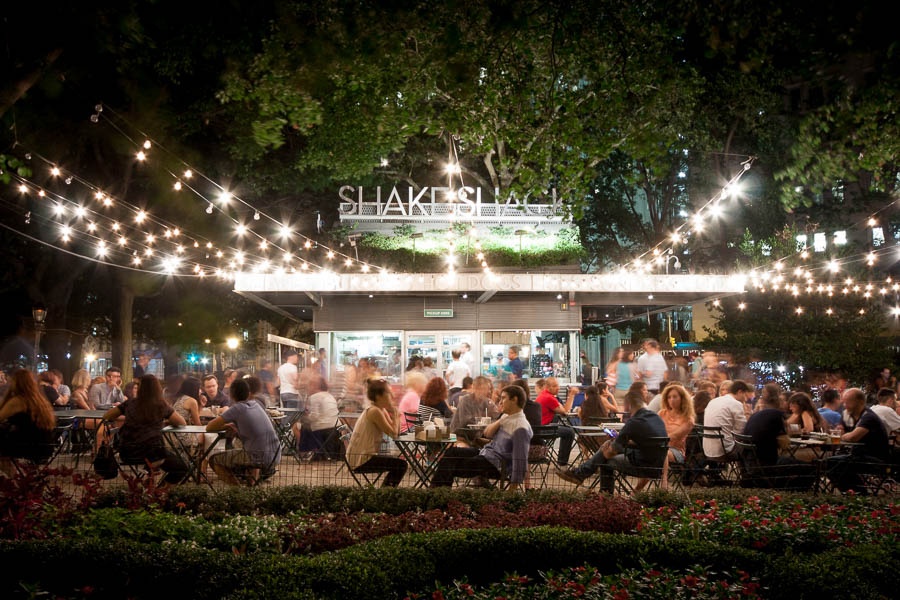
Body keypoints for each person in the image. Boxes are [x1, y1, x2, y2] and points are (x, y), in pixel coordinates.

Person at [556, 380, 667, 491]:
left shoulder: (634, 422)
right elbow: (648, 442)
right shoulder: (656, 418)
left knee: (605, 460)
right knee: (608, 445)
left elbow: (612, 451)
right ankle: (581, 474)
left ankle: (603, 492)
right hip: (658, 465)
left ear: (628, 405)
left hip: (643, 465)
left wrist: (610, 448)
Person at [431, 384, 532, 489]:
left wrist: (513, 489)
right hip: (486, 454)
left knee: (449, 465)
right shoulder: (508, 417)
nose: (500, 402)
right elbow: (487, 433)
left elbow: (521, 460)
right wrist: (502, 419)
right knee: (452, 452)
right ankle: (439, 493)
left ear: (514, 400)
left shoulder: (521, 427)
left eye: (503, 398)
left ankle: (438, 494)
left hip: (496, 464)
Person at [102, 374, 188, 485]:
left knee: (158, 460)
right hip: (153, 453)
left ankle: (150, 477)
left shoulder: (130, 404)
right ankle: (159, 491)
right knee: (181, 468)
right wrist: (164, 421)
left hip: (127, 453)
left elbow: (107, 416)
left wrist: (129, 417)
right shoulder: (160, 405)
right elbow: (181, 422)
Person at [206, 379, 282, 485]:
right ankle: (251, 487)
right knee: (246, 450)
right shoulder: (255, 405)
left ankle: (237, 491)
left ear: (231, 395)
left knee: (214, 460)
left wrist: (224, 426)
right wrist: (235, 427)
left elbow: (209, 427)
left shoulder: (238, 408)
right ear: (248, 392)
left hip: (258, 457)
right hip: (276, 454)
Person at [825, 387, 890, 493]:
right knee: (830, 462)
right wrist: (844, 434)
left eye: (848, 402)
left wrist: (845, 435)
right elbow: (840, 431)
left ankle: (859, 492)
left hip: (875, 458)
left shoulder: (869, 417)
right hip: (857, 455)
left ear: (860, 402)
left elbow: (853, 437)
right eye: (844, 402)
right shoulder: (847, 415)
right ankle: (853, 491)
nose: (844, 405)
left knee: (838, 465)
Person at [345, 378, 407, 487]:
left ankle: (385, 492)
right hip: (361, 459)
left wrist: (394, 414)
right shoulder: (374, 411)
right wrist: (396, 415)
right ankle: (385, 494)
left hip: (364, 456)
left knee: (399, 464)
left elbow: (395, 432)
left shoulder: (380, 410)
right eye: (388, 392)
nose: (392, 395)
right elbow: (394, 434)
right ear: (379, 396)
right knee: (401, 465)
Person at [0, 369, 57, 475]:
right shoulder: (39, 400)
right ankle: (22, 480)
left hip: (28, 446)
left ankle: (18, 481)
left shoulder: (19, 401)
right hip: (45, 446)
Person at [644, 382, 695, 490]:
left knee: (662, 451)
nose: (671, 400)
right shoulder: (662, 413)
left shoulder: (688, 419)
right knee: (654, 457)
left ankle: (664, 482)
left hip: (676, 451)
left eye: (675, 397)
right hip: (658, 446)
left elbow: (673, 437)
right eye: (669, 397)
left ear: (682, 398)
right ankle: (637, 490)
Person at [702, 379, 752, 463]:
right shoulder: (736, 404)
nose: (746, 399)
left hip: (708, 450)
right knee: (751, 448)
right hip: (725, 451)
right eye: (745, 396)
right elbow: (741, 431)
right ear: (740, 392)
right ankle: (748, 475)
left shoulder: (713, 401)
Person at [534, 377, 576, 466]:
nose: (558, 388)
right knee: (569, 432)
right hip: (544, 429)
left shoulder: (545, 396)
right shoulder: (549, 398)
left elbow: (564, 410)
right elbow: (565, 411)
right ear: (547, 387)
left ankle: (562, 461)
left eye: (558, 385)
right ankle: (562, 463)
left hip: (538, 428)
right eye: (555, 386)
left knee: (567, 430)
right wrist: (571, 395)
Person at [300, 376, 340, 459]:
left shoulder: (314, 397)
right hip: (335, 428)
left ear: (315, 386)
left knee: (303, 427)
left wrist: (304, 418)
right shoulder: (330, 396)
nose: (307, 387)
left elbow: (314, 417)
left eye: (309, 385)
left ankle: (304, 452)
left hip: (322, 429)